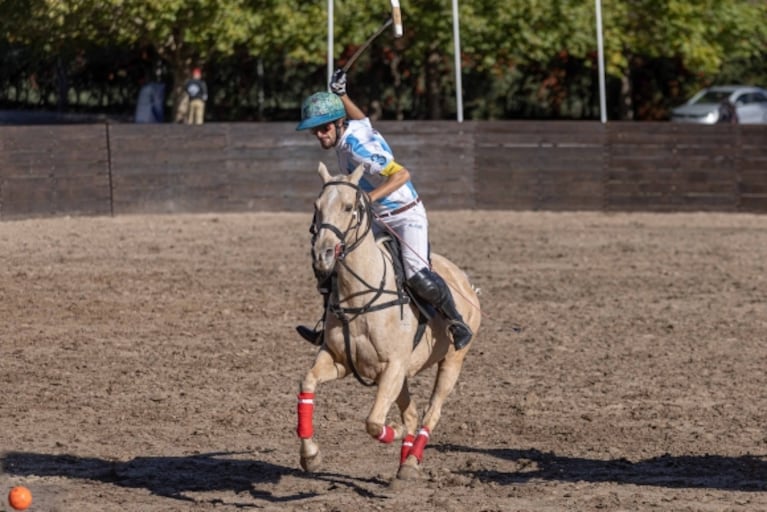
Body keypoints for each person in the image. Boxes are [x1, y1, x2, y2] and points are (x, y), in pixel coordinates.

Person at [294, 69, 473, 351]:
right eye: (314, 130)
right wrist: (341, 94)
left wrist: (369, 198)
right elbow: (362, 119)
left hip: (404, 214)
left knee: (416, 275)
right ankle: (328, 328)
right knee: (335, 262)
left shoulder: (359, 149)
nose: (319, 134)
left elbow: (402, 175)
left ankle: (456, 321)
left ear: (339, 124)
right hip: (375, 217)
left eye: (324, 128)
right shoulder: (349, 130)